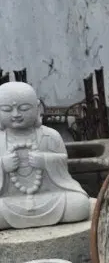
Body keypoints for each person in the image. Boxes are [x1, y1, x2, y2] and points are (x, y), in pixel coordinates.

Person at [0, 81, 91, 229]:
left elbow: (62, 164)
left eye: (23, 108)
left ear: (37, 108)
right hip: (10, 199)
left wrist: (45, 161)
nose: (16, 114)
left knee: (79, 205)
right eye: (7, 109)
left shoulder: (50, 135)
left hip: (49, 197)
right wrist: (3, 165)